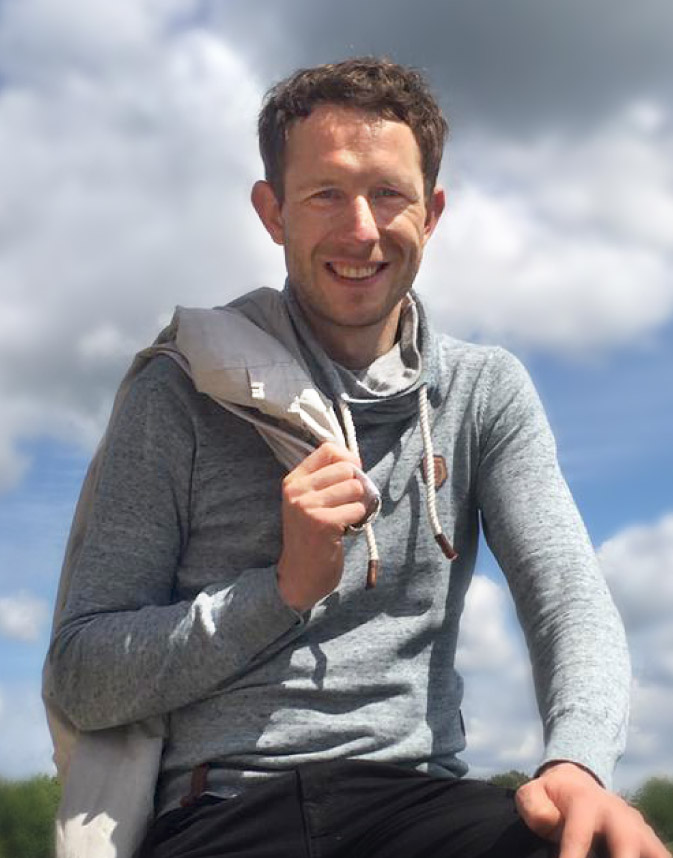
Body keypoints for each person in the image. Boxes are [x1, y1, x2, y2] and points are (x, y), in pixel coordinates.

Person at [45, 58, 669, 858]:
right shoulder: (180, 390)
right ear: (272, 212)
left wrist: (576, 765)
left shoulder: (483, 391)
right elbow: (81, 675)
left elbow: (568, 600)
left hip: (421, 803)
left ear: (431, 213)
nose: (361, 230)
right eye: (325, 194)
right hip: (223, 810)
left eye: (387, 194)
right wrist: (280, 591)